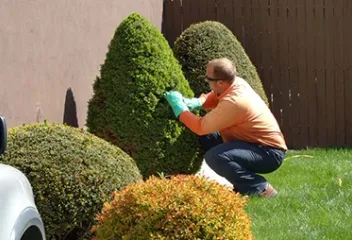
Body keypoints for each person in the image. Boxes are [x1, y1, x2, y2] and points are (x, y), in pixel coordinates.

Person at [163, 57, 287, 198]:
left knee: (216, 157)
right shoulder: (236, 83)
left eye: (208, 78)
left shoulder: (235, 102)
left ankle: (262, 189)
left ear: (220, 82)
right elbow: (215, 96)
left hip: (268, 153)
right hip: (251, 143)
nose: (206, 80)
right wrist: (199, 102)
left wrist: (180, 110)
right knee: (208, 137)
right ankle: (241, 186)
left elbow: (199, 126)